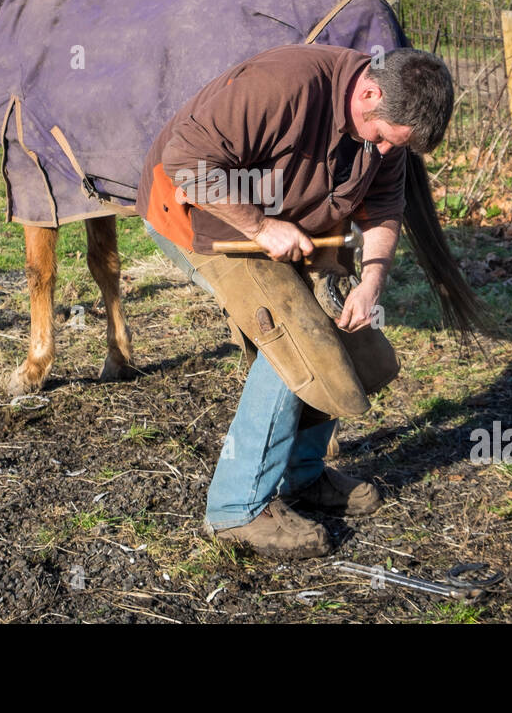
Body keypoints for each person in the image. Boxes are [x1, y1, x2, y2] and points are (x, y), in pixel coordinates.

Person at [137, 42, 455, 559]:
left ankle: (303, 475)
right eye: (381, 137)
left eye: (395, 146)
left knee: (346, 338)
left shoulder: (387, 136)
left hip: (291, 223)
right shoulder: (282, 87)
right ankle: (236, 508)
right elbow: (186, 164)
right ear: (369, 93)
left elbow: (385, 206)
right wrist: (261, 227)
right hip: (199, 217)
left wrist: (371, 281)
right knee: (293, 339)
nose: (384, 151)